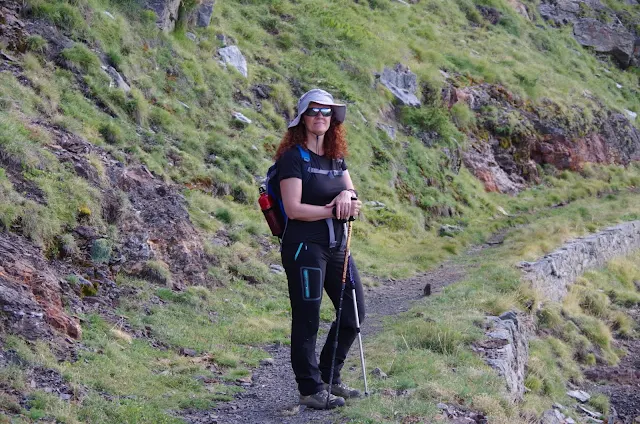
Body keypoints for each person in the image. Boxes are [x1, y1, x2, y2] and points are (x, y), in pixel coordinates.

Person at [274, 89, 365, 409]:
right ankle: (310, 389)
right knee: (307, 318)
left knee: (354, 313)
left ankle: (329, 376)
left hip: (338, 246)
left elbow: (353, 196)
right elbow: (294, 208)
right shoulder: (293, 158)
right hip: (304, 248)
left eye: (326, 112)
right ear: (302, 117)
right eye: (313, 111)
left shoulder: (336, 158)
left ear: (333, 119)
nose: (320, 117)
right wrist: (331, 209)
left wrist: (347, 197)